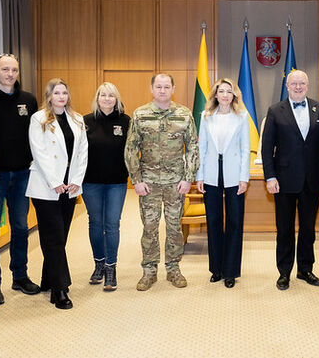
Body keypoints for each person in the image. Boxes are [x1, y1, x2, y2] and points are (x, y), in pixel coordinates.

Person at [0, 53, 40, 307]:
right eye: (5, 69)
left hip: (22, 174)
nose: (10, 74)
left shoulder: (28, 100)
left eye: (14, 69)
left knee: (21, 228)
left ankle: (20, 276)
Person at [124, 73, 199, 291]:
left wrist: (188, 178)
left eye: (167, 86)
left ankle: (173, 268)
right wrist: (136, 180)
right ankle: (149, 270)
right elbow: (130, 149)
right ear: (152, 88)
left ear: (173, 89)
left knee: (175, 227)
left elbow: (193, 148)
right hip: (148, 183)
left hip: (176, 183)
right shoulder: (140, 114)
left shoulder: (184, 114)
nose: (163, 90)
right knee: (149, 227)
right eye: (159, 86)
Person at [261, 70, 319, 291]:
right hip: (283, 180)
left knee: (308, 229)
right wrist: (270, 176)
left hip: (312, 180)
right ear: (287, 85)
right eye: (294, 83)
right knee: (285, 229)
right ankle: (284, 272)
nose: (298, 87)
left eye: (302, 83)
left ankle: (305, 269)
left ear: (308, 85)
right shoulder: (274, 111)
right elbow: (266, 147)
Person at [26, 78, 88, 310]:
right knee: (53, 237)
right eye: (56, 93)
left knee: (59, 236)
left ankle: (47, 279)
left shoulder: (77, 119)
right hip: (46, 187)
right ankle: (60, 289)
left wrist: (75, 181)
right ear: (49, 96)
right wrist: (55, 182)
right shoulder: (38, 119)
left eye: (64, 92)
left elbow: (82, 153)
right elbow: (39, 152)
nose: (61, 96)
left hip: (69, 188)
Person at [196, 78, 250, 289]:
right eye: (221, 91)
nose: (225, 95)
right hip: (210, 174)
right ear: (215, 95)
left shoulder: (242, 117)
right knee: (214, 221)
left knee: (235, 222)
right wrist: (199, 176)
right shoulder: (206, 116)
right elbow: (202, 148)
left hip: (234, 175)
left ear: (234, 95)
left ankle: (231, 271)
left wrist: (244, 178)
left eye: (229, 91)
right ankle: (216, 269)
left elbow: (246, 149)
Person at [83, 82, 130, 291]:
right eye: (103, 95)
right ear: (97, 97)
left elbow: (132, 152)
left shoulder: (126, 121)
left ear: (117, 98)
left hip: (116, 183)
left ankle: (111, 267)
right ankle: (99, 264)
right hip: (90, 182)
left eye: (111, 95)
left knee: (112, 224)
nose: (107, 99)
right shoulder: (85, 121)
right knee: (95, 223)